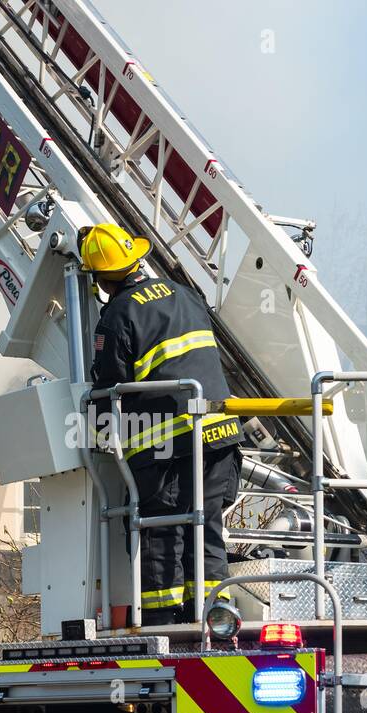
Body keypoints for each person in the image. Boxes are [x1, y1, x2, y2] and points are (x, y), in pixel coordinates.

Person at [82, 223, 243, 626]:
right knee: (205, 526)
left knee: (159, 535)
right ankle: (215, 618)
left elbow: (109, 388)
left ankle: (163, 624)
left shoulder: (118, 315)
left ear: (102, 278)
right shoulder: (184, 294)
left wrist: (97, 435)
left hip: (167, 448)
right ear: (135, 259)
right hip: (219, 436)